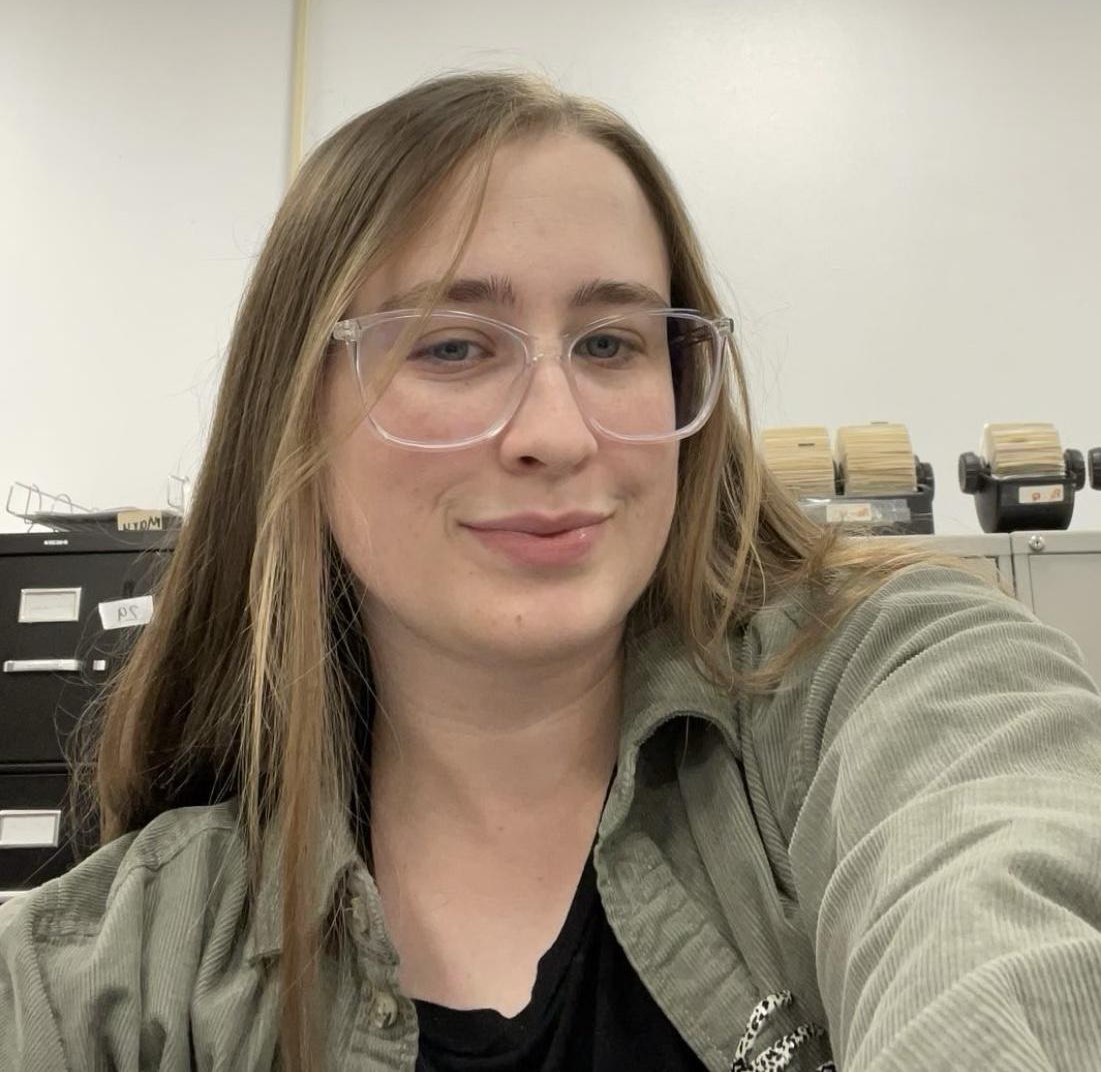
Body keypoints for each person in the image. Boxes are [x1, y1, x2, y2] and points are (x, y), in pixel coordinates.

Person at [1, 69, 1099, 1072]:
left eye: (611, 343)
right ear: (293, 410)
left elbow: (1004, 929)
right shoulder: (120, 967)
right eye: (452, 345)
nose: (557, 435)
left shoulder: (891, 685)